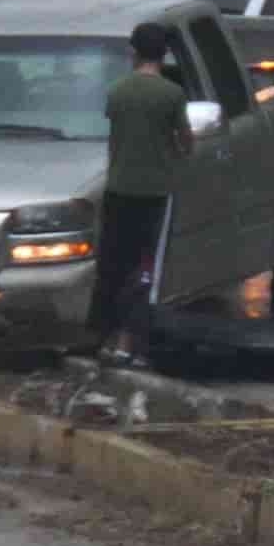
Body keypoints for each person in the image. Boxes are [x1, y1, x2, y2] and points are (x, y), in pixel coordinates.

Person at [93, 22, 195, 367]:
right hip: (155, 194)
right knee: (145, 268)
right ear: (164, 54)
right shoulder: (172, 95)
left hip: (118, 188)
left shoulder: (117, 91)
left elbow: (114, 137)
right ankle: (130, 343)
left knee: (113, 266)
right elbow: (185, 143)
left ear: (132, 51)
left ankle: (105, 339)